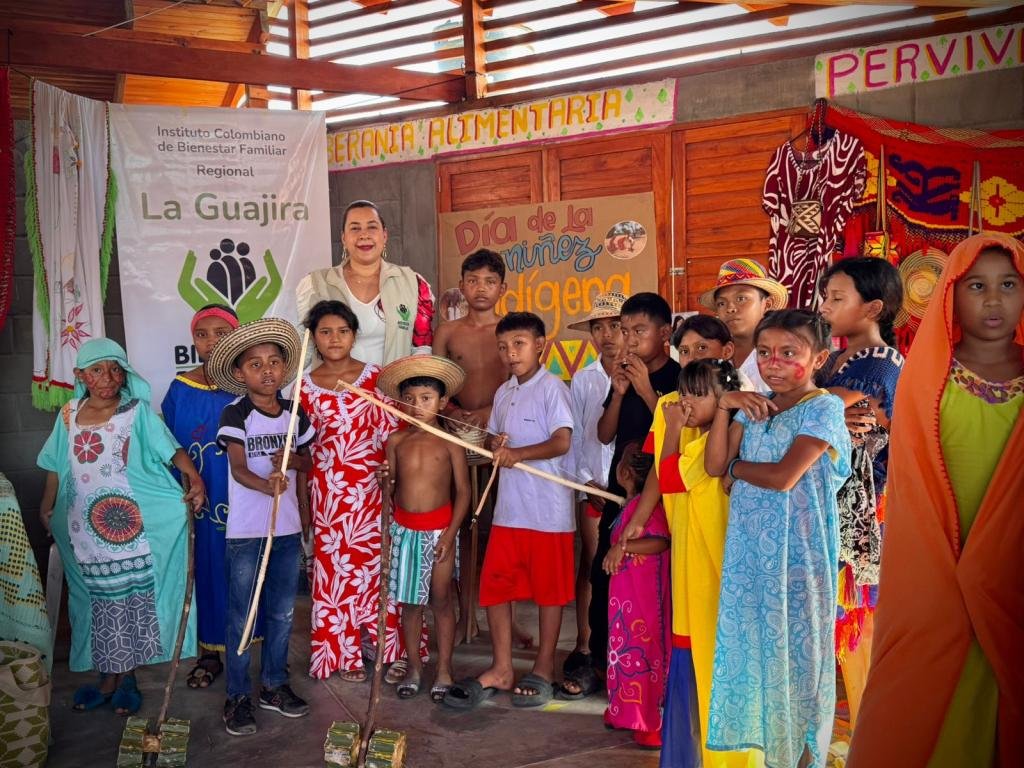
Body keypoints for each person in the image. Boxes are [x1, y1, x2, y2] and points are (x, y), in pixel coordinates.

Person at [849, 233, 1024, 768]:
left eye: (1009, 285)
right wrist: (942, 572)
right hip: (937, 567)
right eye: (977, 286)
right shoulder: (929, 377)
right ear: (952, 294)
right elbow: (912, 485)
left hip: (1016, 570)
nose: (993, 300)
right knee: (925, 694)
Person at [705, 309, 851, 768]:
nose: (774, 363)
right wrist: (726, 407)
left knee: (801, 666)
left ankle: (803, 761)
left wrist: (737, 471)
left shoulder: (824, 407)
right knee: (762, 660)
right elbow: (713, 466)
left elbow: (785, 476)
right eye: (765, 353)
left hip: (799, 557)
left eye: (790, 353)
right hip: (750, 557)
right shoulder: (755, 406)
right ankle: (773, 759)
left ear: (819, 357)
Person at [37, 338, 205, 715]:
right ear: (81, 375)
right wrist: (47, 505)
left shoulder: (136, 413)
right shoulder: (68, 414)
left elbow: (171, 450)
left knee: (131, 600)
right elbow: (54, 464)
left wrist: (194, 479)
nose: (107, 378)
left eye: (115, 369)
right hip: (83, 529)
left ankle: (125, 678)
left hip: (129, 530)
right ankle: (106, 676)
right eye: (97, 370)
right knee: (94, 602)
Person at [443, 312, 574, 711]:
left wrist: (518, 453)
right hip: (509, 512)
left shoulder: (553, 388)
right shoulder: (503, 393)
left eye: (518, 344)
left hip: (548, 513)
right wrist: (488, 440)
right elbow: (496, 442)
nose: (510, 353)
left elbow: (562, 441)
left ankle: (545, 668)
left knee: (550, 595)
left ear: (541, 346)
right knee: (496, 588)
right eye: (504, 346)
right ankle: (501, 668)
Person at [563, 292, 679, 700]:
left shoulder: (678, 378)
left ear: (664, 334)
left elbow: (675, 431)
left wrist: (647, 390)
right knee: (602, 574)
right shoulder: (624, 375)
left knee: (656, 579)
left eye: (638, 331)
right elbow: (604, 434)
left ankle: (656, 672)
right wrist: (618, 391)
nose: (628, 340)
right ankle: (602, 662)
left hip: (664, 496)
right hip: (620, 492)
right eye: (623, 330)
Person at [297, 300, 420, 684]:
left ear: (354, 335)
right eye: (325, 332)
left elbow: (395, 437)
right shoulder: (302, 388)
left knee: (378, 571)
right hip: (328, 499)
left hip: (372, 492)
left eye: (342, 331)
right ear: (314, 338)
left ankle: (387, 649)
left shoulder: (376, 380)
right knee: (335, 574)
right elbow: (301, 452)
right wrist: (303, 507)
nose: (334, 339)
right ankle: (343, 653)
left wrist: (393, 476)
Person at [209, 318, 316, 736]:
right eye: (256, 364)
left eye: (274, 362)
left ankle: (274, 685)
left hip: (286, 531)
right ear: (240, 373)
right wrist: (267, 485)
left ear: (285, 369)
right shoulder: (235, 413)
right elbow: (237, 469)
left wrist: (290, 463)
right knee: (242, 615)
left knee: (281, 612)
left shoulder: (293, 413)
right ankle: (237, 695)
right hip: (247, 533)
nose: (267, 370)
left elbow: (307, 461)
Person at [816, 256, 904, 725]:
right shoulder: (832, 359)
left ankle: (870, 725)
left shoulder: (881, 362)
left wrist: (794, 404)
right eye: (825, 297)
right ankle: (842, 718)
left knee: (855, 616)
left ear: (873, 308)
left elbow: (821, 409)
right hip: (832, 500)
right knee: (833, 616)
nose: (825, 307)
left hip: (865, 509)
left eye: (836, 298)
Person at [432, 248, 526, 647]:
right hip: (455, 438)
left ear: (502, 288)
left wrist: (488, 412)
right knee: (464, 530)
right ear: (462, 286)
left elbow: (521, 384)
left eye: (490, 282)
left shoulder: (511, 331)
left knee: (502, 532)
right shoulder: (448, 332)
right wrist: (453, 412)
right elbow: (434, 386)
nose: (481, 289)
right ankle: (466, 616)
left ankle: (507, 620)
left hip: (502, 440)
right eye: (473, 281)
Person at [376, 355, 471, 702]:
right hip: (406, 531)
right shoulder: (396, 442)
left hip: (439, 533)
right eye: (410, 399)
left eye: (426, 399)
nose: (417, 406)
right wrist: (385, 481)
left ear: (442, 402)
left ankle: (444, 668)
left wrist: (449, 535)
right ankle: (415, 667)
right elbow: (393, 488)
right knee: (410, 604)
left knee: (441, 599)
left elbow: (463, 493)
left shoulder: (450, 441)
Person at [161, 304, 239, 690]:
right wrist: (185, 485)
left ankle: (248, 652)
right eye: (202, 334)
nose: (211, 341)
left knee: (243, 569)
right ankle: (210, 654)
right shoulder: (180, 388)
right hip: (201, 496)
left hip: (243, 494)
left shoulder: (248, 384)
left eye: (221, 333)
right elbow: (167, 443)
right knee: (205, 567)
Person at [563, 291, 625, 677]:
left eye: (615, 326)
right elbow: (575, 436)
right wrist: (585, 483)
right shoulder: (584, 379)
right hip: (594, 487)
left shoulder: (650, 371)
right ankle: (585, 642)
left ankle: (623, 642)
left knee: (629, 566)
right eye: (598, 327)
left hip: (633, 490)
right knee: (591, 563)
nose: (607, 334)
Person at [295, 199, 433, 366]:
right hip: (335, 391)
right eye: (355, 228)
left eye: (372, 227)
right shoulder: (315, 284)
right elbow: (305, 350)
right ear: (344, 238)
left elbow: (421, 349)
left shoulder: (413, 283)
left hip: (392, 391)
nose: (364, 235)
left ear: (384, 235)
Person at [600, 441, 670, 749]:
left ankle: (650, 722)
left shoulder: (649, 508)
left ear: (625, 472)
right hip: (626, 602)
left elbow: (660, 542)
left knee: (644, 656)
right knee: (624, 654)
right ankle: (624, 711)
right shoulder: (630, 505)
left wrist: (623, 547)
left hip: (643, 603)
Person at [699, 258, 788, 393]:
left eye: (741, 298)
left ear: (767, 304)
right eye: (721, 303)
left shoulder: (782, 356)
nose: (730, 308)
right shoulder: (714, 355)